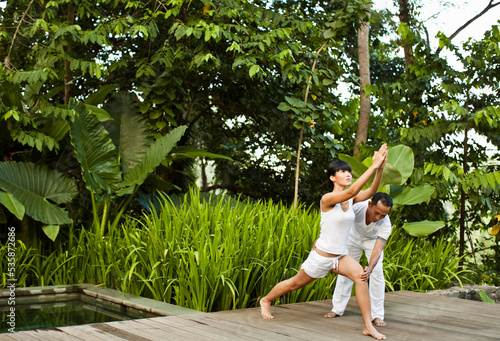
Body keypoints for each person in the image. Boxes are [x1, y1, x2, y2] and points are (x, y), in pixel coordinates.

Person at [260, 144, 388, 340]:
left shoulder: (351, 201)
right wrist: (372, 165)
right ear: (332, 177)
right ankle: (266, 300)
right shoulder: (327, 199)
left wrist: (379, 168)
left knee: (361, 278)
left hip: (340, 256)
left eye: (348, 171)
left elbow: (372, 190)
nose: (347, 174)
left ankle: (367, 326)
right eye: (342, 171)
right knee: (294, 284)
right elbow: (353, 190)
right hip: (322, 256)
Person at [324, 192, 393, 328]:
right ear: (369, 204)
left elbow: (378, 249)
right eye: (376, 213)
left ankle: (377, 314)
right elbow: (337, 223)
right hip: (352, 238)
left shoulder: (385, 224)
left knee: (377, 273)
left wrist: (370, 268)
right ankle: (337, 309)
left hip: (372, 242)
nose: (378, 218)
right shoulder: (357, 207)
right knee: (346, 272)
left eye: (383, 215)